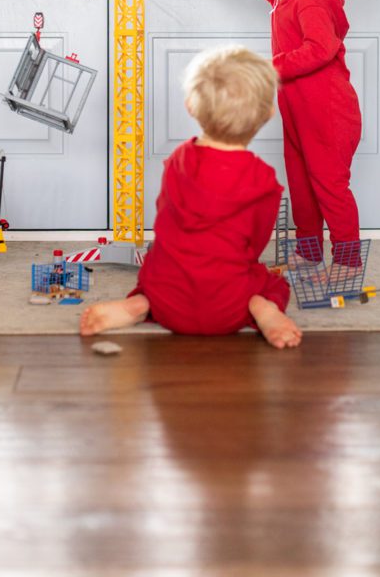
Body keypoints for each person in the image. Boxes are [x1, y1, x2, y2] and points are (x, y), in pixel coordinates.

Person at [79, 45, 302, 349]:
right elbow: (254, 245)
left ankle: (140, 304)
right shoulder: (263, 180)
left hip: (167, 302)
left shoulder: (177, 161)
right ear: (269, 113)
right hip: (229, 308)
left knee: (158, 264)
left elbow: (164, 219)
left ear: (190, 106)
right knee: (271, 281)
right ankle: (263, 310)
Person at [202, 0, 374, 262]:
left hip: (327, 113)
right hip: (298, 111)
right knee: (301, 185)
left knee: (330, 188)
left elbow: (321, 49)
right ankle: (309, 252)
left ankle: (346, 260)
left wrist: (268, 68)